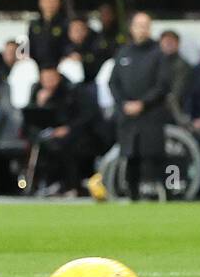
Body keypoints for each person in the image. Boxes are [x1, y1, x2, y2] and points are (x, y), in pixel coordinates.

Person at [109, 11, 171, 199]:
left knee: (154, 158)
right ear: (132, 28)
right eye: (138, 25)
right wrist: (123, 104)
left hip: (151, 116)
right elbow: (113, 82)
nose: (142, 29)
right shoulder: (123, 52)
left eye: (146, 25)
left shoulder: (158, 53)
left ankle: (165, 196)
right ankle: (132, 197)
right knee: (131, 158)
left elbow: (163, 85)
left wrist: (142, 103)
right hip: (128, 117)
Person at [21, 64, 101, 196]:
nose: (48, 82)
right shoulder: (37, 91)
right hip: (47, 133)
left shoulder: (71, 91)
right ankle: (41, 183)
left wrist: (68, 128)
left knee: (65, 146)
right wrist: (41, 104)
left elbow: (84, 116)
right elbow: (33, 119)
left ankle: (69, 185)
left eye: (51, 78)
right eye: (45, 79)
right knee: (38, 143)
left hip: (75, 133)